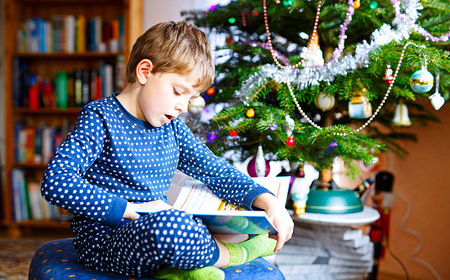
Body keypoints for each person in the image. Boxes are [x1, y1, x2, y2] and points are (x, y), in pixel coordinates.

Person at [41, 20, 293, 279]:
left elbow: (216, 171)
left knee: (233, 226)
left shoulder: (171, 128)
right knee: (172, 229)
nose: (183, 106)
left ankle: (179, 271)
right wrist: (128, 209)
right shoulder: (100, 118)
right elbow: (56, 182)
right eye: (177, 92)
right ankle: (236, 254)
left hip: (159, 228)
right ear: (145, 72)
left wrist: (268, 201)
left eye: (190, 99)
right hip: (108, 241)